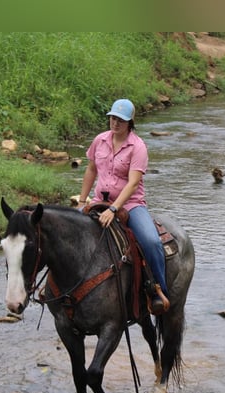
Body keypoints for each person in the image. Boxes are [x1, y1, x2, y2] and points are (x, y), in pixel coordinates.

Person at [77, 98, 170, 315]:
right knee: (66, 230)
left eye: (120, 120)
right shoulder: (99, 140)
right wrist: (82, 201)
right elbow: (91, 170)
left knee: (151, 241)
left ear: (130, 122)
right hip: (99, 199)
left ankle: (157, 289)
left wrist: (113, 209)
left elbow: (133, 182)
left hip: (130, 204)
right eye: (112, 118)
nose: (115, 123)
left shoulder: (137, 147)